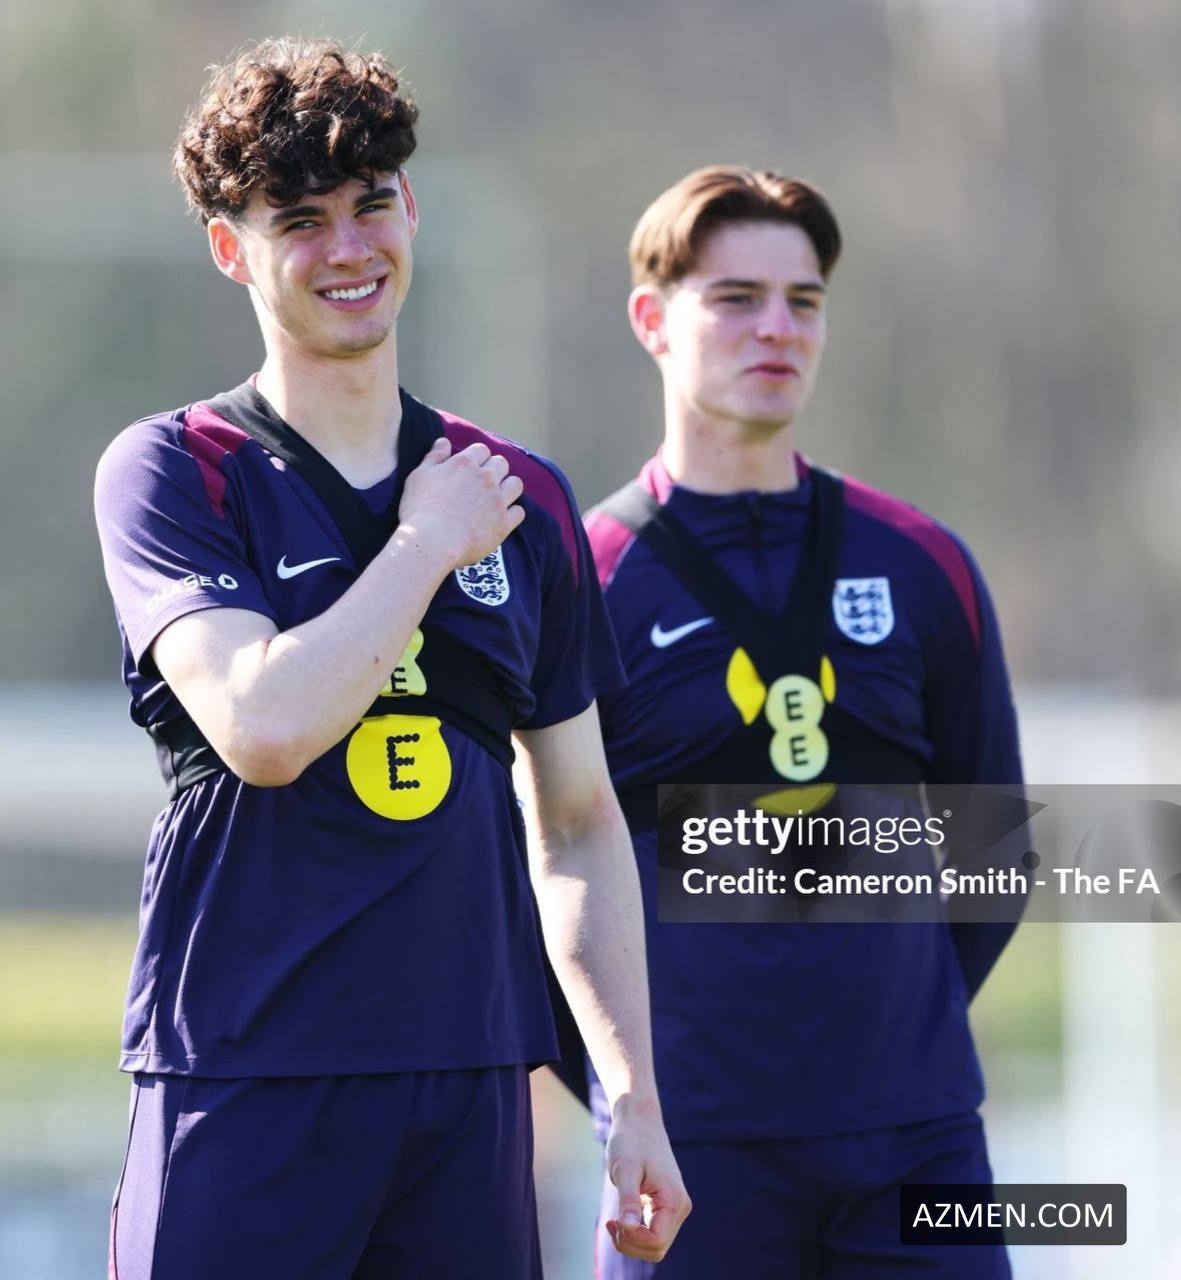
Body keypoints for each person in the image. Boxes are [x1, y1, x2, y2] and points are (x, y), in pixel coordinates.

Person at [93, 37, 688, 1280]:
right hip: (242, 1077)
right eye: (299, 221)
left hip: (466, 1094)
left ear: (410, 205)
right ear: (230, 248)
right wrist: (423, 545)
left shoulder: (517, 493)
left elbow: (578, 821)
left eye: (370, 203)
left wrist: (629, 1093)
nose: (348, 248)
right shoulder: (175, 469)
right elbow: (263, 727)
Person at [581, 166, 1023, 1278]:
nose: (777, 327)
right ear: (652, 321)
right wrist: (630, 1082)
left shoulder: (921, 562)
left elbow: (994, 848)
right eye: (736, 298)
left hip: (916, 1147)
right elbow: (526, 875)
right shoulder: (584, 579)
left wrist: (885, 1028)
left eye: (803, 300)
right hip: (685, 1153)